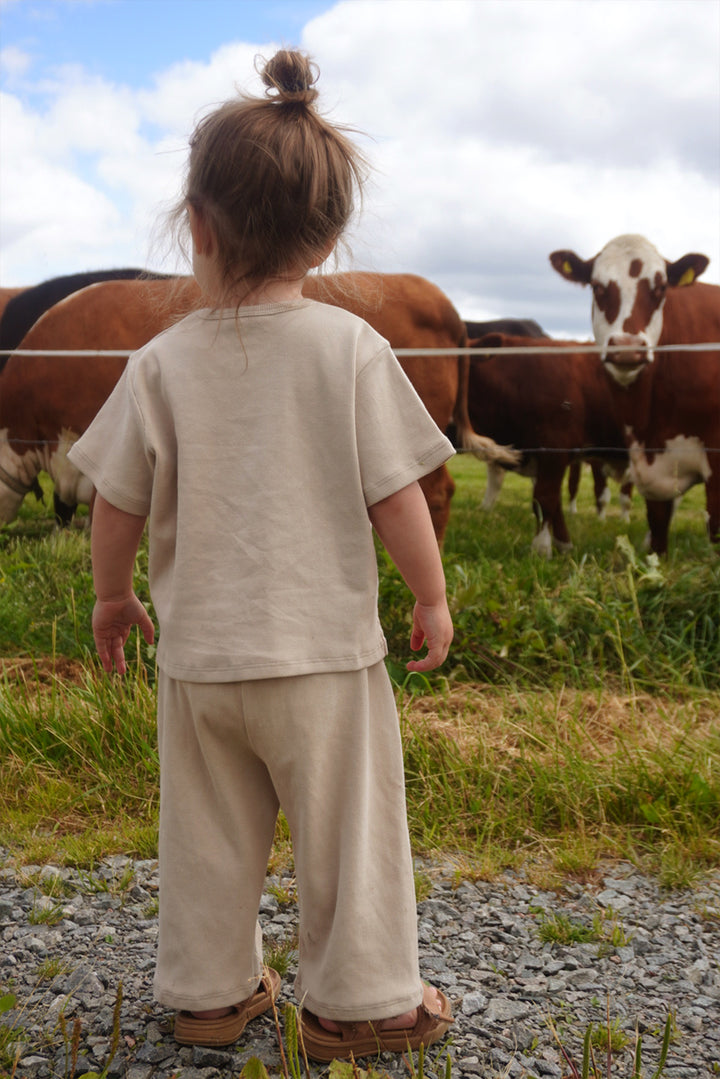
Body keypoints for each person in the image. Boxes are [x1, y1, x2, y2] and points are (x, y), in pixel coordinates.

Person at [68, 49, 455, 1060]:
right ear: (327, 236)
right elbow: (395, 492)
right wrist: (431, 595)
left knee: (206, 837)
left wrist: (114, 600)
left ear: (194, 224)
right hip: (325, 654)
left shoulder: (158, 362)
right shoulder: (352, 348)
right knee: (349, 838)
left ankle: (208, 993)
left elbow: (114, 497)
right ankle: (361, 1002)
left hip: (202, 660)